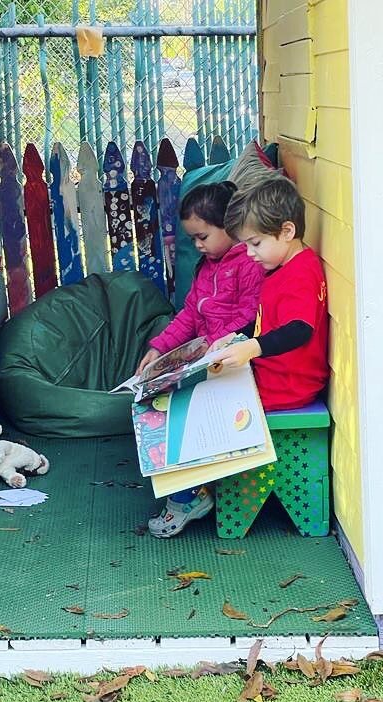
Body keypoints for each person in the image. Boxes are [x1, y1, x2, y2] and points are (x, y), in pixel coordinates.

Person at [137, 181, 265, 538]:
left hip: (235, 363)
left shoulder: (248, 263)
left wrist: (212, 343)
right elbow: (190, 315)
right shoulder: (208, 265)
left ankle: (186, 497)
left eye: (203, 236)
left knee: (178, 408)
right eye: (193, 238)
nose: (197, 245)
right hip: (208, 357)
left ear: (231, 227)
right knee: (156, 399)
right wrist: (159, 349)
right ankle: (184, 486)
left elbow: (249, 315)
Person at [213, 175, 329, 411]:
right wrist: (237, 336)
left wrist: (252, 347)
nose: (249, 253)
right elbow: (267, 324)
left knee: (211, 407)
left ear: (287, 231)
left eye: (255, 243)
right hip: (272, 378)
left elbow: (299, 329)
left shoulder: (301, 273)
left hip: (286, 387)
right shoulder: (281, 267)